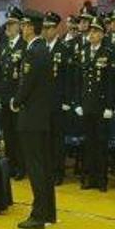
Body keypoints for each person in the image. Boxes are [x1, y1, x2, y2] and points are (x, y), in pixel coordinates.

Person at [11, 10, 57, 229]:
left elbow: (27, 84)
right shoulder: (43, 49)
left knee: (36, 166)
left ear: (30, 27)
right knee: (44, 165)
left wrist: (16, 101)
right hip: (42, 116)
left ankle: (38, 214)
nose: (22, 28)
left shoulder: (33, 52)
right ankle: (48, 211)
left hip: (31, 117)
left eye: (23, 25)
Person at [75, 15, 115, 191]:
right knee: (88, 143)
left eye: (96, 31)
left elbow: (111, 83)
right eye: (91, 31)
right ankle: (89, 177)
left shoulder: (108, 53)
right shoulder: (83, 51)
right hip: (86, 104)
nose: (92, 34)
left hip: (101, 105)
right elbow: (78, 79)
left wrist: (109, 106)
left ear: (102, 34)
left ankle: (101, 179)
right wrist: (77, 102)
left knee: (101, 143)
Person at [42, 12, 72, 185]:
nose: (47, 31)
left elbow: (68, 78)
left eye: (50, 28)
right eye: (45, 28)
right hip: (43, 103)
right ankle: (47, 170)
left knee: (57, 139)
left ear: (56, 29)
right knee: (45, 139)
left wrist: (67, 101)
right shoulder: (41, 48)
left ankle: (58, 172)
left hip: (58, 101)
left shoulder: (63, 49)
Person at [0, 7, 27, 179]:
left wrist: (19, 98)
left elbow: (23, 76)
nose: (8, 27)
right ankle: (11, 165)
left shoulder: (23, 46)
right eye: (7, 24)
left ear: (19, 26)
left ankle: (22, 168)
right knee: (8, 135)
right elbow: (2, 74)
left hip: (17, 99)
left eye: (12, 24)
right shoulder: (4, 47)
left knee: (19, 135)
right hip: (5, 98)